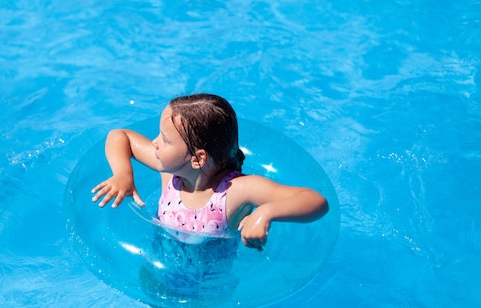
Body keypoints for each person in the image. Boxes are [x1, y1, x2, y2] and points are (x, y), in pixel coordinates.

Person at [91, 93, 328, 250]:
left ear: (197, 158)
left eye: (164, 139)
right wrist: (123, 174)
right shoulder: (171, 172)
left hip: (205, 288)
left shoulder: (236, 191)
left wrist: (264, 213)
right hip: (164, 259)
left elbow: (316, 201)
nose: (154, 143)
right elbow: (119, 136)